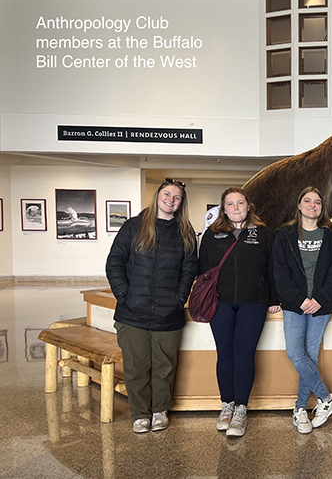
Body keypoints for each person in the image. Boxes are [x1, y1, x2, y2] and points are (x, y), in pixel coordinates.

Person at [106, 179, 198, 433]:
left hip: (168, 314)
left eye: (176, 197)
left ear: (181, 203)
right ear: (157, 196)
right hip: (132, 312)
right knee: (135, 367)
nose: (171, 199)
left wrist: (178, 299)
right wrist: (124, 295)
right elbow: (114, 263)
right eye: (167, 194)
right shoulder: (133, 226)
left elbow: (189, 270)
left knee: (164, 367)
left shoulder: (185, 232)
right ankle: (140, 414)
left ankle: (159, 411)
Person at [198, 187, 281, 437]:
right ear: (223, 209)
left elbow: (273, 269)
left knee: (244, 354)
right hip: (220, 303)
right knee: (225, 354)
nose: (236, 208)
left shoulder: (265, 234)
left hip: (253, 303)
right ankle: (226, 405)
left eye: (240, 203)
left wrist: (273, 299)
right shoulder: (212, 235)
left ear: (248, 206)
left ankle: (241, 409)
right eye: (230, 204)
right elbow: (203, 271)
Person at [273, 187, 332, 434]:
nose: (313, 205)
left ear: (321, 208)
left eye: (317, 202)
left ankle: (300, 409)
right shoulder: (284, 235)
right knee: (296, 353)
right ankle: (326, 399)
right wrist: (299, 299)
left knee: (310, 355)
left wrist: (319, 298)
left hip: (321, 306)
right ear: (299, 205)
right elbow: (279, 273)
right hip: (295, 305)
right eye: (307, 200)